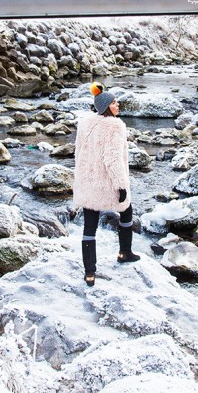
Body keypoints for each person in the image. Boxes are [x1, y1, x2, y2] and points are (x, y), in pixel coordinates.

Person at [73, 83, 140, 286]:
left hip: (87, 182)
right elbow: (112, 159)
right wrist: (121, 186)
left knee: (89, 227)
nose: (117, 105)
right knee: (127, 211)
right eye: (113, 102)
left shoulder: (85, 123)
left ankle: (89, 273)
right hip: (107, 183)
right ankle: (124, 252)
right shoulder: (115, 126)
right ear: (104, 107)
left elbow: (78, 153)